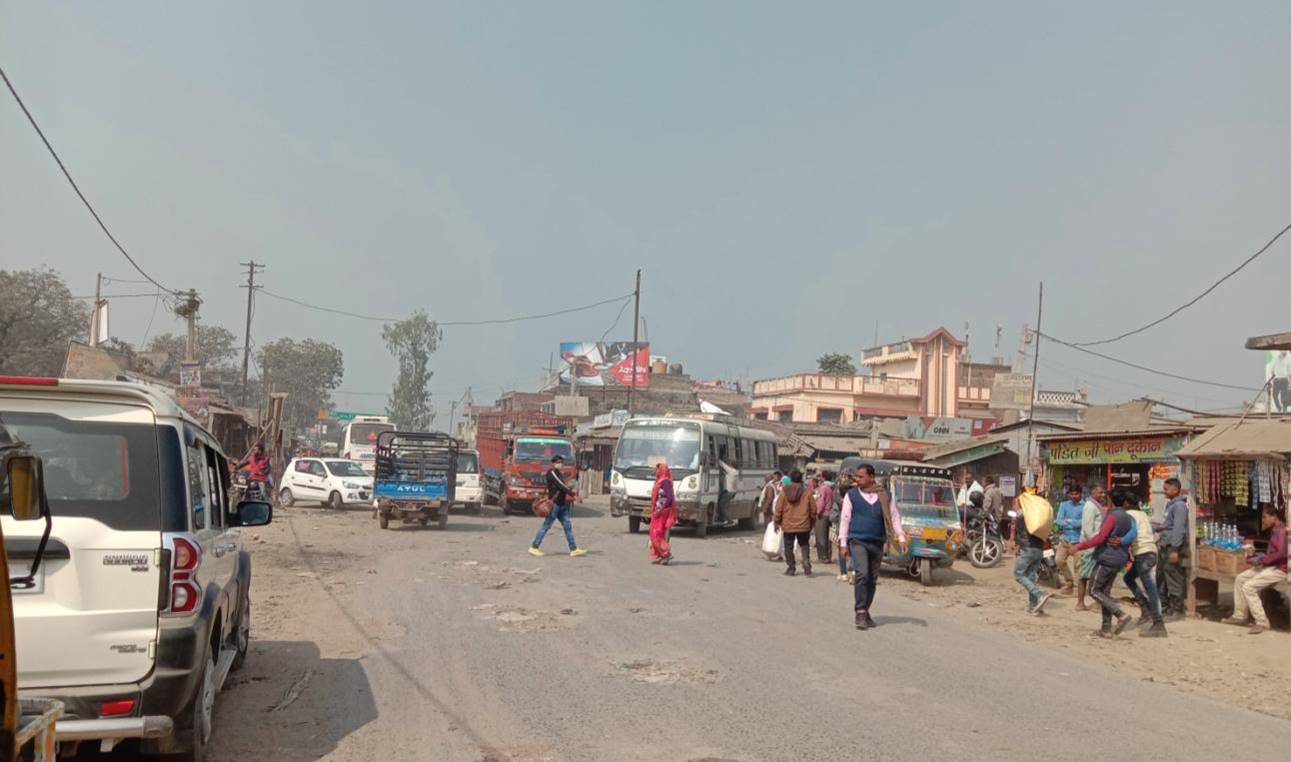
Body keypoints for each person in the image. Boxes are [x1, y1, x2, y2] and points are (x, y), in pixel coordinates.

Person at [839, 464, 908, 630]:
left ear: (871, 477)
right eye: (856, 476)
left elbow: (894, 517)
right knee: (862, 574)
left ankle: (866, 610)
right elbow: (845, 518)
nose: (857, 479)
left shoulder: (885, 495)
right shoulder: (852, 495)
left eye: (861, 476)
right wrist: (843, 542)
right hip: (858, 540)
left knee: (872, 580)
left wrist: (901, 537)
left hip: (877, 541)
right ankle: (860, 611)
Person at [1076, 488, 1137, 638]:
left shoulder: (1112, 516)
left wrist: (1079, 546)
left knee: (1094, 590)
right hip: (1120, 558)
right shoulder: (1128, 517)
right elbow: (1133, 533)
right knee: (1105, 593)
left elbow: (1101, 537)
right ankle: (1106, 629)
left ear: (1110, 500)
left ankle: (1120, 614)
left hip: (1107, 557)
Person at [1223, 504, 1287, 635]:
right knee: (1240, 579)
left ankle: (1262, 622)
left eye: (1265, 517)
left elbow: (1280, 553)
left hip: (1279, 569)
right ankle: (1240, 615)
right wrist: (1259, 557)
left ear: (1273, 517)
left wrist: (1262, 560)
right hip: (1269, 566)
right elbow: (1273, 552)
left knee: (1249, 587)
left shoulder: (1280, 531)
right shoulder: (1275, 529)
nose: (1263, 520)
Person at [1123, 497, 1167, 637]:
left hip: (1143, 553)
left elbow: (1132, 534)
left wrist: (1121, 542)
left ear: (1126, 503)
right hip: (1148, 552)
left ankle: (1158, 623)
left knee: (1151, 589)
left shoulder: (1129, 515)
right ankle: (1145, 608)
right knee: (1128, 578)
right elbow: (1151, 528)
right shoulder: (1142, 514)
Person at [530, 455, 586, 557]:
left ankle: (573, 549)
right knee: (547, 525)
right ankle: (534, 547)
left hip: (562, 505)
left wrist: (571, 495)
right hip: (554, 505)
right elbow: (561, 485)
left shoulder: (558, 473)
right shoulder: (551, 473)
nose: (560, 464)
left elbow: (562, 487)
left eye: (561, 462)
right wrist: (573, 495)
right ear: (553, 462)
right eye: (558, 462)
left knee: (567, 526)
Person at [1153, 478, 1188, 621]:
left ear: (1175, 489)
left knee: (1173, 578)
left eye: (1166, 489)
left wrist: (1174, 549)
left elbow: (1179, 529)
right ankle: (1165, 606)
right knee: (1161, 577)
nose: (1164, 491)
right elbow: (1170, 525)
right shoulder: (1171, 505)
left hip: (1171, 547)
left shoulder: (1179, 506)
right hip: (1164, 544)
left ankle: (1177, 610)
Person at [1009, 503, 1054, 615]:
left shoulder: (1022, 514)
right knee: (1031, 576)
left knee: (1018, 574)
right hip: (1039, 549)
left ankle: (1039, 594)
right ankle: (1034, 606)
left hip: (1027, 549)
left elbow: (1018, 529)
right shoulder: (1038, 516)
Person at [773, 470, 815, 576]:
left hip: (788, 525)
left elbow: (778, 509)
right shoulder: (807, 492)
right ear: (801, 479)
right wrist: (812, 522)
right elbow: (813, 510)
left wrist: (776, 522)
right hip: (804, 524)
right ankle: (806, 561)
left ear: (791, 479)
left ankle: (791, 568)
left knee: (788, 547)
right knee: (804, 545)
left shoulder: (784, 492)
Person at [1075, 486, 1108, 612]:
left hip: (1094, 545)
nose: (1103, 494)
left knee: (1091, 575)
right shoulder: (1090, 506)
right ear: (1093, 492)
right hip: (1091, 547)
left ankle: (1086, 602)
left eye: (1104, 492)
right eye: (1100, 492)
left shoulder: (1096, 505)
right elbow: (1088, 529)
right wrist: (1098, 541)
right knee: (1086, 575)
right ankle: (1081, 603)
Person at [1054, 485, 1085, 596]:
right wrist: (1074, 522)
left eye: (1076, 494)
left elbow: (1083, 523)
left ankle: (1078, 588)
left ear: (1081, 494)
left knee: (1078, 566)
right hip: (1065, 539)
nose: (1074, 496)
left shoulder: (1085, 506)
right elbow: (1058, 521)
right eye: (1071, 494)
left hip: (1079, 541)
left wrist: (1069, 521)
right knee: (1058, 560)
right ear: (1068, 494)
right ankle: (1069, 583)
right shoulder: (1064, 505)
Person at [648, 463, 677, 565]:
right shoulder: (660, 481)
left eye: (657, 469)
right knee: (654, 534)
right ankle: (661, 555)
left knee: (657, 534)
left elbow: (668, 498)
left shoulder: (665, 482)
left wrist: (659, 509)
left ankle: (666, 553)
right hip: (659, 511)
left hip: (663, 512)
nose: (656, 471)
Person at [813, 472, 836, 564]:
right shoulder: (832, 487)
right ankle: (827, 556)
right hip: (829, 514)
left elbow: (820, 502)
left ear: (824, 477)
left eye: (820, 476)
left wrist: (817, 512)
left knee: (820, 536)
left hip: (822, 514)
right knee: (827, 537)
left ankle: (823, 557)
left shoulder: (823, 488)